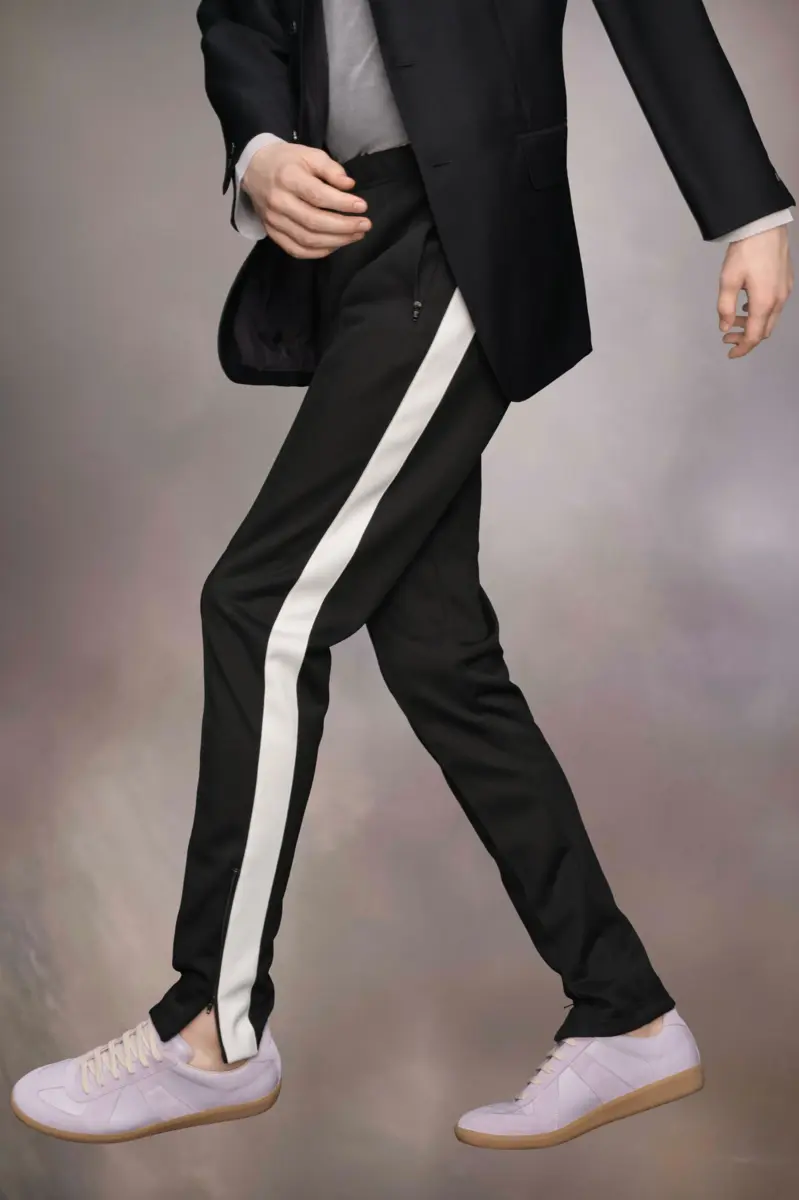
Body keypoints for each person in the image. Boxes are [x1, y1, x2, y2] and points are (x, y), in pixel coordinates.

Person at [11, 0, 794, 1150]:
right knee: (438, 657)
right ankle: (624, 1013)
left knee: (261, 612)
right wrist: (258, 148)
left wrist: (749, 210)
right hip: (345, 249)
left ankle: (212, 1031)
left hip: (458, 231)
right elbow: (240, 12)